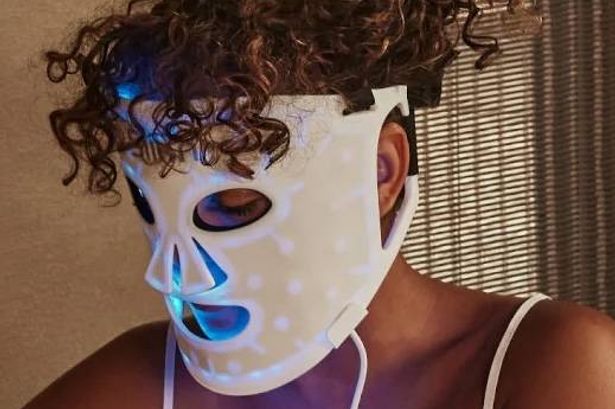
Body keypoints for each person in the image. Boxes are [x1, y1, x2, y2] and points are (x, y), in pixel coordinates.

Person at [26, 1, 615, 408]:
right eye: (150, 205)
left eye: (233, 204)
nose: (171, 272)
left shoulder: (554, 361)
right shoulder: (144, 380)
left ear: (382, 171)